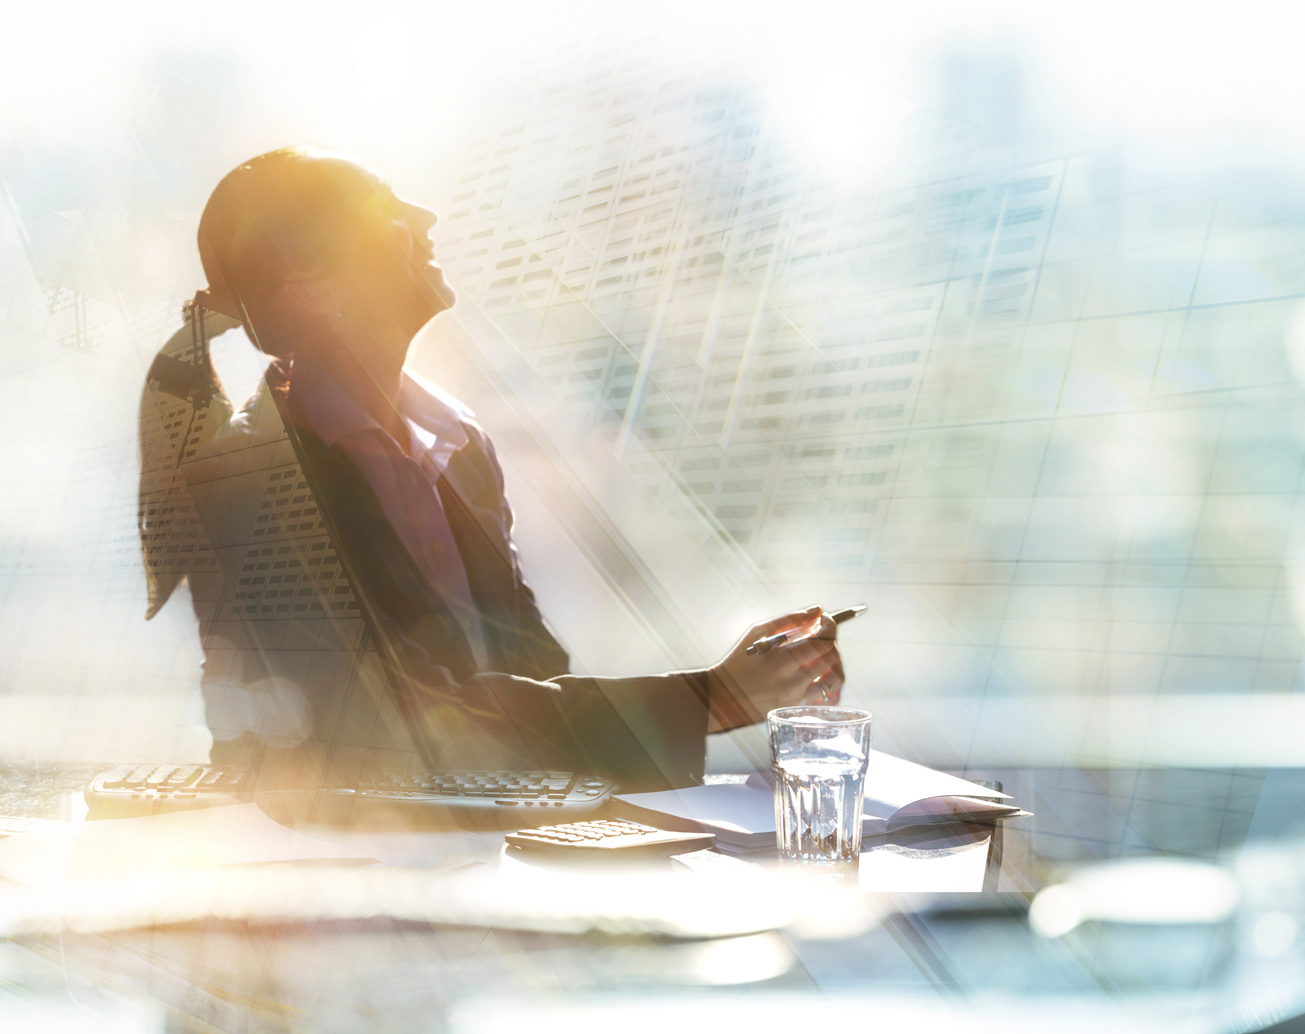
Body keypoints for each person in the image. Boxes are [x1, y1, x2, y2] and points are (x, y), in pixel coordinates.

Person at [139, 146, 843, 792]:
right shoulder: (254, 479)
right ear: (311, 287)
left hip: (476, 837)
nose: (424, 216)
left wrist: (733, 684)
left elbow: (529, 670)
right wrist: (708, 700)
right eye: (386, 212)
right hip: (331, 869)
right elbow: (388, 719)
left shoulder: (458, 445)